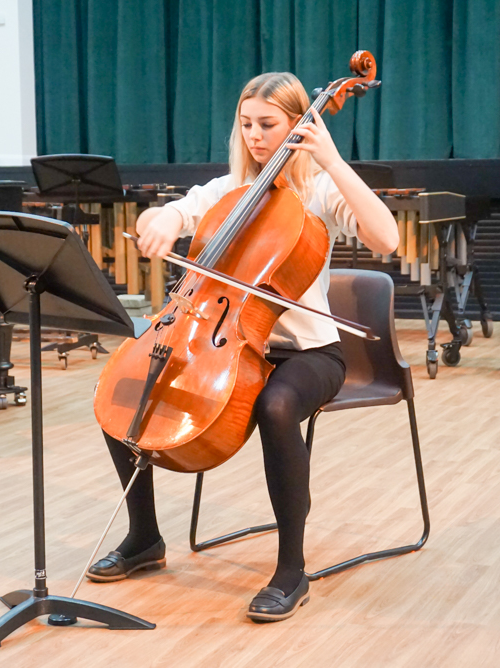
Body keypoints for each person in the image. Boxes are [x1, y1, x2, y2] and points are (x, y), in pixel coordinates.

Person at [87, 71, 399, 622]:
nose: (256, 136)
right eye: (247, 124)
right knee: (128, 387)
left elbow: (387, 238)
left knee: (276, 407)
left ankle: (291, 569)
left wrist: (331, 160)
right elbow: (171, 214)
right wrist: (157, 221)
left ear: (301, 124)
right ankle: (144, 538)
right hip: (220, 341)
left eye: (269, 124)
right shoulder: (225, 192)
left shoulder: (320, 192)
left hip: (310, 355)